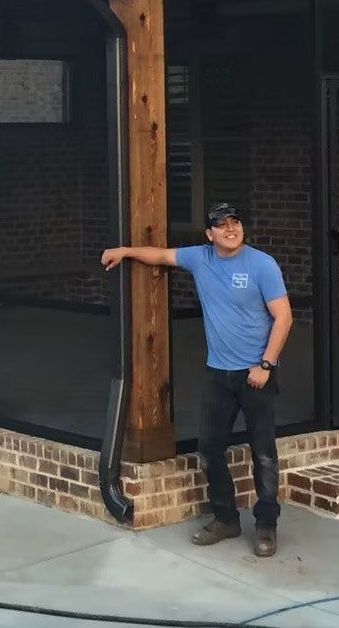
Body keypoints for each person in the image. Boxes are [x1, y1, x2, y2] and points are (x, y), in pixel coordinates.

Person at [101, 202, 293, 558]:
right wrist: (124, 251)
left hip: (256, 374)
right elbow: (160, 255)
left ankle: (266, 524)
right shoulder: (200, 258)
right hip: (218, 374)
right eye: (222, 225)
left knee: (264, 453)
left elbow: (284, 317)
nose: (230, 229)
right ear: (209, 234)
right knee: (209, 449)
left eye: (235, 222)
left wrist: (265, 365)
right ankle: (226, 519)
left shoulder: (262, 264)